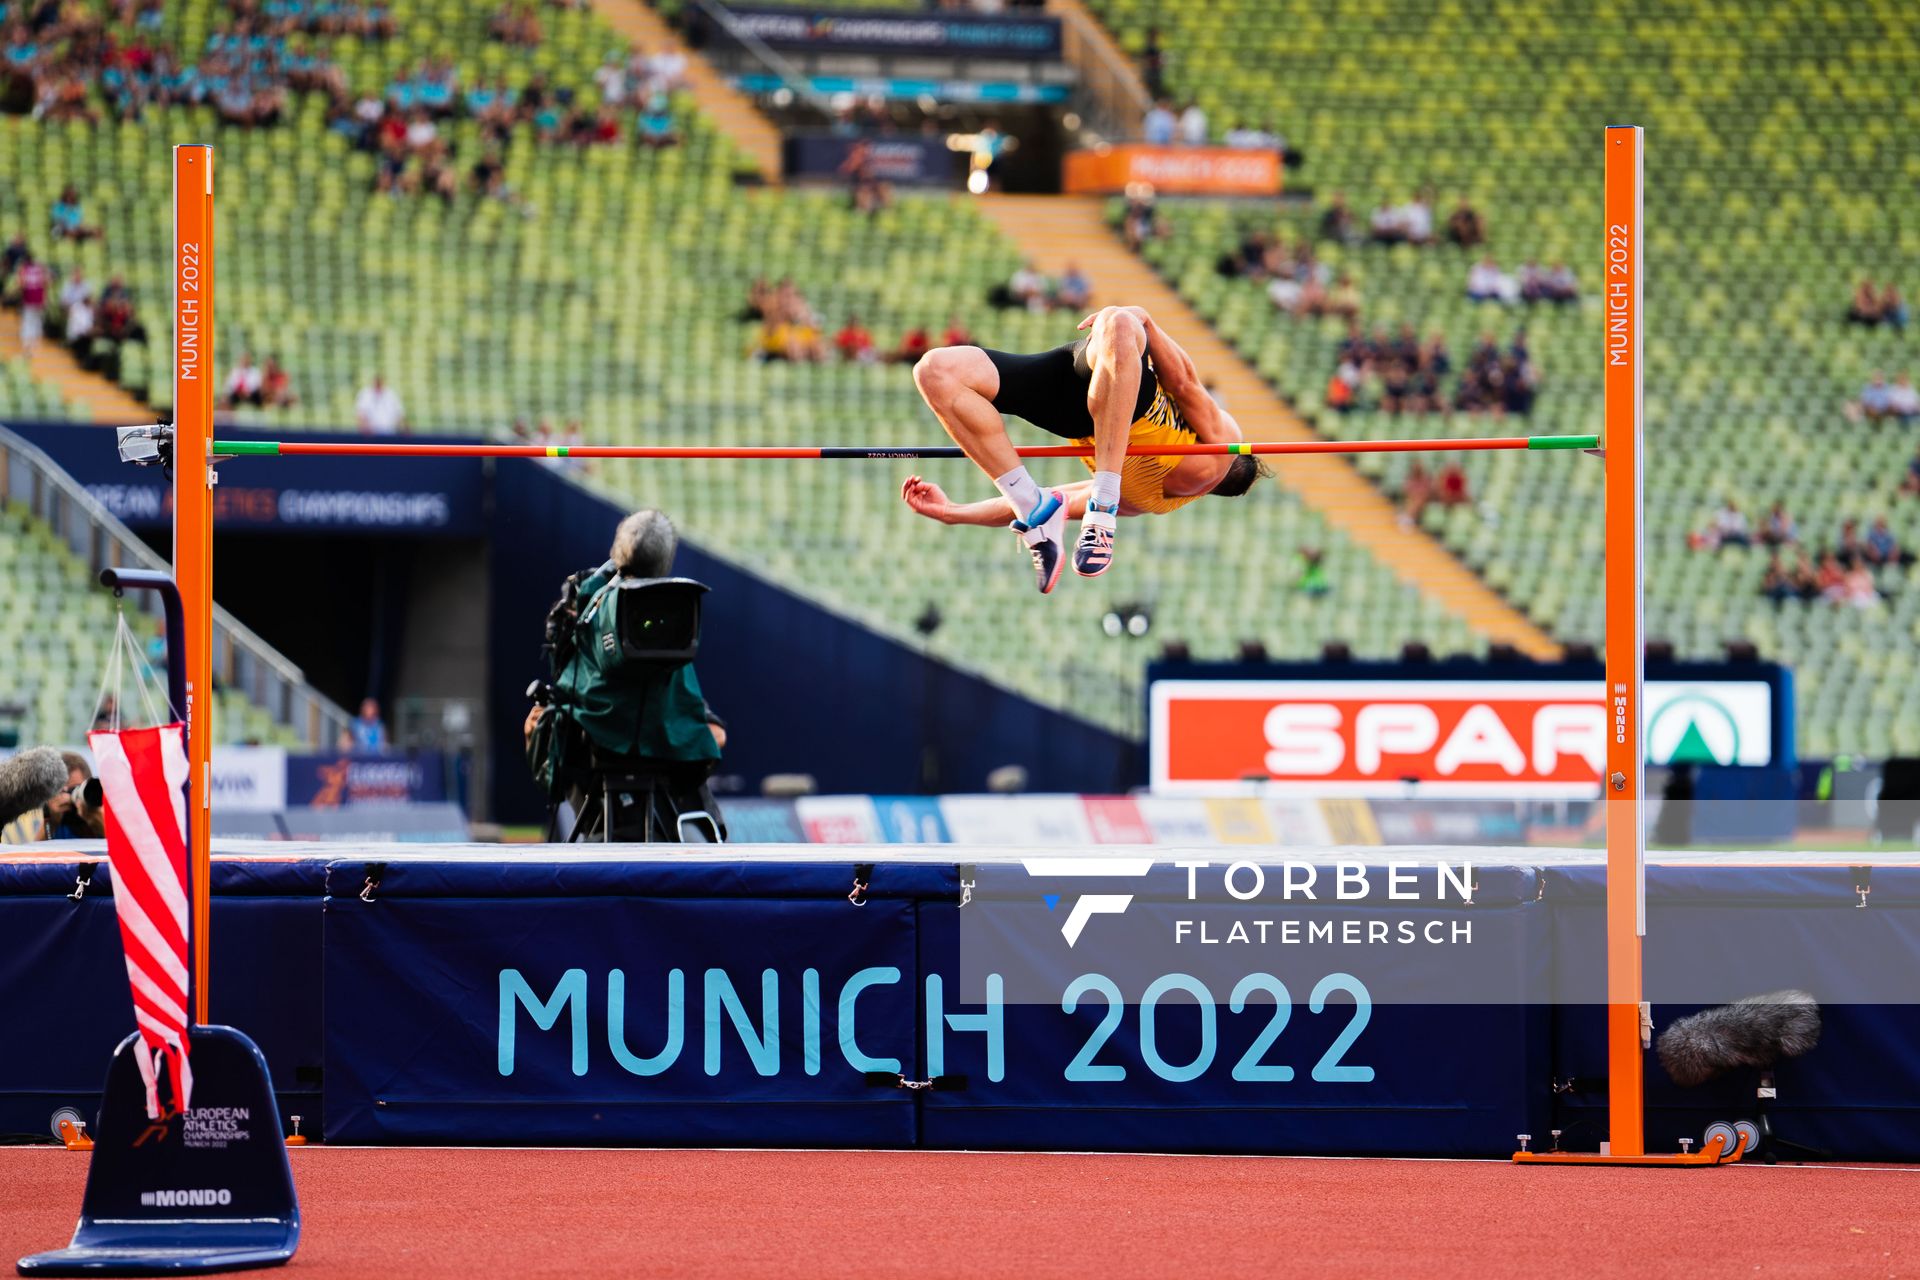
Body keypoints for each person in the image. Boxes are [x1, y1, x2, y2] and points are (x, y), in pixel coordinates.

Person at [903, 304, 1266, 594]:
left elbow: (1185, 384)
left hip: (1101, 404)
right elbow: (1054, 500)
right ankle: (1048, 511)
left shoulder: (1216, 456)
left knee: (1120, 320)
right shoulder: (1140, 502)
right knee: (935, 370)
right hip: (1098, 376)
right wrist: (953, 512)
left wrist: (1148, 323)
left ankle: (1097, 505)